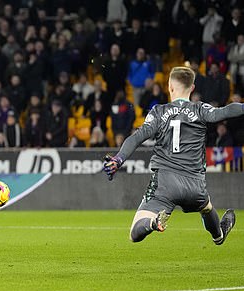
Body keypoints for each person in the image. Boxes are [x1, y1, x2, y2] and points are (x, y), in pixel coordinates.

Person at [103, 66, 241, 245]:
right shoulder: (200, 109)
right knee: (206, 206)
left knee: (135, 233)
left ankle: (152, 223)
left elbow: (137, 137)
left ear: (169, 87)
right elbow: (226, 111)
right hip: (195, 186)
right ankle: (218, 236)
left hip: (166, 183)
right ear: (192, 88)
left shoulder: (158, 112)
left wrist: (118, 159)